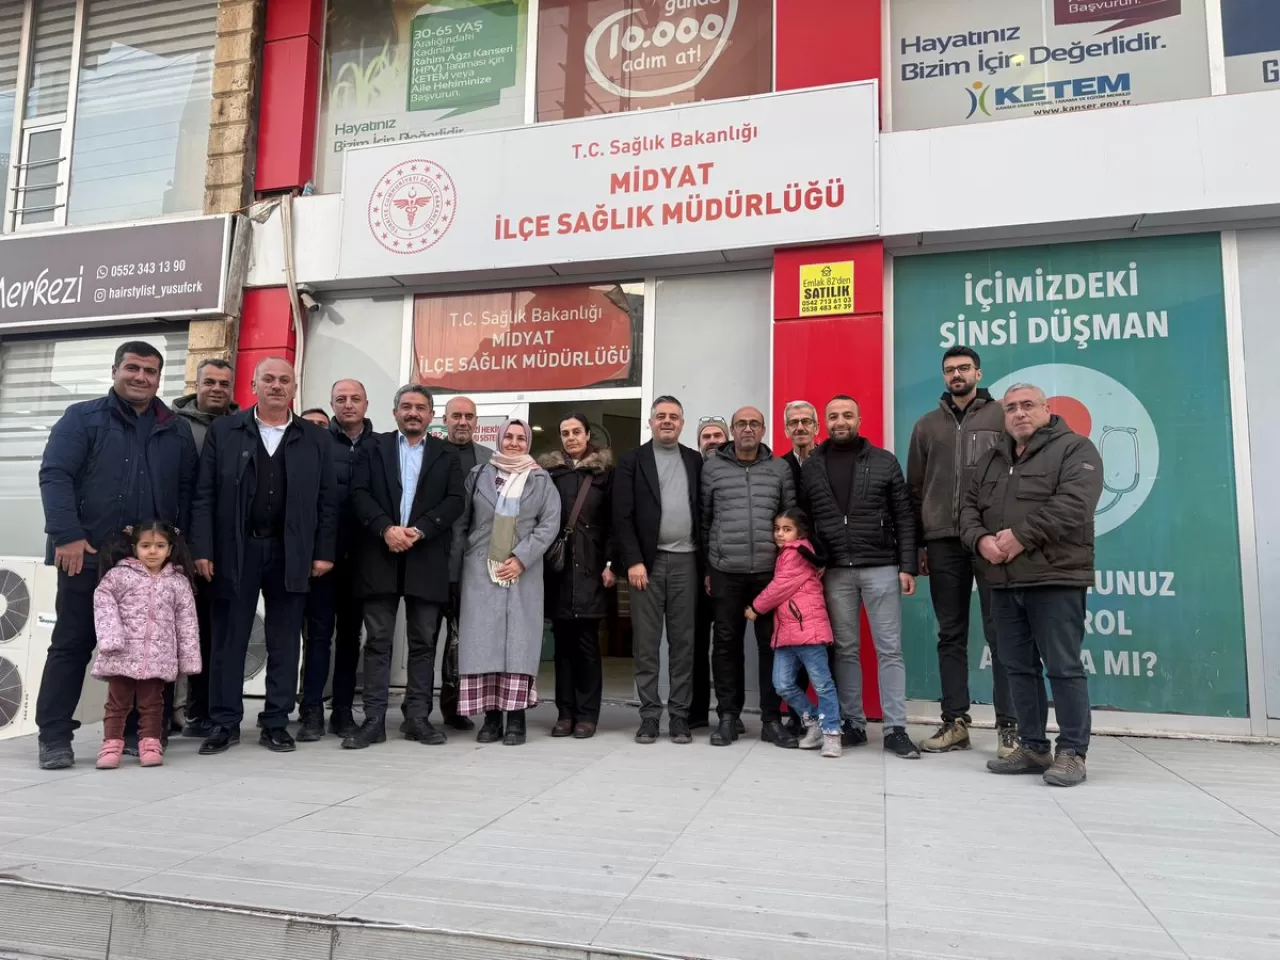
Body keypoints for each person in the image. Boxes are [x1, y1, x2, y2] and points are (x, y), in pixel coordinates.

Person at [35, 340, 198, 771]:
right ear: (114, 371)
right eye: (133, 368)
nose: (141, 377)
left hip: (150, 565)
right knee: (72, 643)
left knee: (148, 648)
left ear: (159, 378)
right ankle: (54, 735)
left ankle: (137, 734)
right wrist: (66, 535)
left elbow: (187, 493)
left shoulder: (175, 428)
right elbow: (55, 475)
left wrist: (179, 553)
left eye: (150, 371)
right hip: (87, 555)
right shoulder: (82, 418)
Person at [191, 357, 337, 756]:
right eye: (268, 379)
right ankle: (224, 722)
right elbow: (204, 494)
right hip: (235, 550)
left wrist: (323, 551)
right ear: (253, 385)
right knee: (229, 638)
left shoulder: (315, 438)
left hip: (292, 550)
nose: (276, 385)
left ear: (294, 388)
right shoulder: (225, 431)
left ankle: (275, 722)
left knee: (285, 640)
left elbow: (328, 500)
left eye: (284, 380)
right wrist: (203, 549)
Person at [960, 384, 1102, 787]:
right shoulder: (991, 459)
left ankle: (1072, 752)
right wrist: (980, 540)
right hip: (1003, 581)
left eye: (1027, 405)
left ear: (1046, 408)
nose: (1019, 413)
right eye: (1011, 408)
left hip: (1055, 578)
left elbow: (1075, 504)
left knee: (1063, 667)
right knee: (1017, 667)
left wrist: (1019, 537)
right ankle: (1034, 746)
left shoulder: (1075, 449)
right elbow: (967, 509)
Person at [907, 347, 1017, 757]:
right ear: (943, 376)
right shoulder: (926, 425)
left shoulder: (1002, 416)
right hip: (941, 541)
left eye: (963, 368)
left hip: (989, 539)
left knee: (1001, 632)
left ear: (978, 373)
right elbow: (915, 489)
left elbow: (1017, 475)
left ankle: (1010, 727)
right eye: (950, 370)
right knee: (950, 634)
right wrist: (919, 543)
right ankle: (955, 722)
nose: (957, 375)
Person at [343, 385, 464, 749]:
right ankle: (374, 721)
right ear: (395, 412)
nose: (413, 413)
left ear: (431, 415)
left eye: (421, 407)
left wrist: (421, 529)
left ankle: (417, 719)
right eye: (407, 406)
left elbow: (455, 500)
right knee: (378, 641)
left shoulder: (446, 454)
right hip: (379, 555)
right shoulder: (372, 447)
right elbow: (358, 493)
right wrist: (385, 529)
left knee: (423, 643)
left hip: (426, 557)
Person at [802, 395, 920, 759]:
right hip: (836, 571)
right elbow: (805, 521)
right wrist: (816, 560)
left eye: (847, 415)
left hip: (881, 566)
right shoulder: (812, 466)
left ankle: (895, 728)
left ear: (859, 419)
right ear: (825, 422)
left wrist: (907, 565)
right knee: (846, 650)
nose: (840, 421)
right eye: (834, 416)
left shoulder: (884, 461)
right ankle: (853, 723)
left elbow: (904, 515)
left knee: (890, 649)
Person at [454, 420, 560, 746]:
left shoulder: (540, 479)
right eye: (509, 437)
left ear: (528, 443)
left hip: (523, 573)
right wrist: (458, 565)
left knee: (518, 643)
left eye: (520, 438)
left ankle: (516, 718)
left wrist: (522, 558)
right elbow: (462, 522)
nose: (514, 443)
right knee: (483, 642)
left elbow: (549, 524)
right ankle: (490, 719)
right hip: (480, 570)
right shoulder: (479, 475)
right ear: (499, 439)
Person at [700, 405, 797, 748]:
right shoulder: (712, 468)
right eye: (741, 423)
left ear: (764, 430)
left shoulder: (779, 468)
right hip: (726, 570)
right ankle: (728, 716)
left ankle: (771, 719)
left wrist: (789, 566)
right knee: (726, 645)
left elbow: (790, 519)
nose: (747, 429)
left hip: (769, 574)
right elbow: (705, 520)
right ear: (732, 430)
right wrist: (709, 567)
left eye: (754, 423)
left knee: (771, 646)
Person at [614, 396, 703, 745]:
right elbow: (621, 515)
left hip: (687, 562)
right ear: (650, 422)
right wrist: (633, 560)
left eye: (674, 417)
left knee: (684, 644)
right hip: (646, 566)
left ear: (682, 423)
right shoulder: (632, 461)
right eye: (661, 416)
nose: (667, 421)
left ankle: (679, 716)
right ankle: (649, 716)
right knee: (646, 644)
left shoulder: (694, 460)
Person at [298, 379, 375, 741]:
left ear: (366, 404)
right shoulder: (316, 442)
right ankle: (311, 710)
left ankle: (343, 710)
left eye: (355, 398)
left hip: (363, 559)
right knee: (318, 636)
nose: (348, 404)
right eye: (341, 399)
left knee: (350, 637)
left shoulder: (380, 445)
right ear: (331, 404)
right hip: (323, 558)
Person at [91, 523, 201, 769]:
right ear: (135, 548)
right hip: (122, 654)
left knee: (153, 704)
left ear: (169, 549)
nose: (153, 551)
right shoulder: (119, 576)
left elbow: (187, 622)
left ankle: (150, 744)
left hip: (158, 657)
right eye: (146, 546)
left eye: (160, 546)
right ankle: (111, 745)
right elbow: (103, 602)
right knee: (117, 703)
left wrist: (189, 657)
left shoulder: (178, 582)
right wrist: (111, 637)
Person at [539, 414, 615, 739]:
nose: (571, 437)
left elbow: (614, 523)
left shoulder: (604, 474)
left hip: (591, 569)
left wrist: (611, 563)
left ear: (587, 435)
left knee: (587, 646)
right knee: (563, 648)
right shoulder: (549, 474)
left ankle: (587, 715)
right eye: (565, 432)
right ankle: (565, 713)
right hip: (558, 571)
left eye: (576, 432)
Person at [173, 358, 237, 740]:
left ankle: (200, 711)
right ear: (196, 384)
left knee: (210, 633)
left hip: (222, 548)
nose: (216, 388)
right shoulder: (174, 424)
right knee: (172, 631)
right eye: (209, 381)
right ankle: (162, 714)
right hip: (175, 544)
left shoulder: (242, 425)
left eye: (224, 384)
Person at [746, 509, 841, 758]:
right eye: (777, 529)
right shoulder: (788, 553)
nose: (780, 534)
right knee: (782, 684)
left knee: (822, 684)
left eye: (787, 529)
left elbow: (780, 586)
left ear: (800, 533)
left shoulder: (796, 552)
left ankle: (831, 733)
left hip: (808, 629)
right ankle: (813, 722)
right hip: (787, 631)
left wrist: (756, 607)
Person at [440, 396, 493, 731]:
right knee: (425, 639)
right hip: (432, 563)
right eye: (456, 415)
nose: (463, 421)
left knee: (461, 641)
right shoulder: (431, 452)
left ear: (476, 421)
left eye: (469, 416)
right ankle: (417, 709)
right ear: (444, 419)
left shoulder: (489, 459)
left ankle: (455, 707)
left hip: (473, 566)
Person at [691, 416, 728, 729]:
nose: (713, 440)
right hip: (693, 570)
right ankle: (697, 712)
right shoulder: (690, 470)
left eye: (718, 435)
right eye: (706, 436)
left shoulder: (736, 471)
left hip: (728, 570)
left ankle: (729, 712)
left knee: (728, 644)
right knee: (695, 644)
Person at [780, 400, 819, 493]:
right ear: (786, 431)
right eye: (793, 422)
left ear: (816, 428)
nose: (800, 428)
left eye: (806, 421)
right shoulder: (779, 468)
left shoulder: (829, 462)